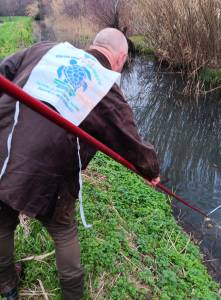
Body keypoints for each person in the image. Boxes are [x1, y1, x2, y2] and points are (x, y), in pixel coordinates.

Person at [0, 28, 160, 300]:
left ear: (92, 45)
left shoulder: (46, 49)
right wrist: (151, 170)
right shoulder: (106, 87)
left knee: (1, 220)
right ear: (120, 58)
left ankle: (7, 287)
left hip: (3, 146)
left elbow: (5, 69)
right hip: (48, 172)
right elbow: (129, 138)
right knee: (63, 229)